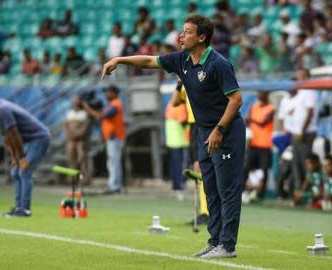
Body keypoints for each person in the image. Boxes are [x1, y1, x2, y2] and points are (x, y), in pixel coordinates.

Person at [101, 14, 245, 258]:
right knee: (209, 188)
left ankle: (228, 245)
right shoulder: (182, 60)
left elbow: (236, 99)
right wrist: (120, 59)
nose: (181, 35)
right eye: (182, 31)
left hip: (225, 132)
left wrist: (219, 130)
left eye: (187, 32)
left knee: (226, 190)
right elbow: (148, 61)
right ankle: (215, 241)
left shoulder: (218, 64)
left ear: (201, 37)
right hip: (203, 132)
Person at [0, 87, 50, 217]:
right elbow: (5, 135)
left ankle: (25, 210)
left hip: (38, 138)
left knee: (24, 171)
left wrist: (21, 157)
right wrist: (13, 156)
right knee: (15, 171)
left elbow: (14, 133)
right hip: (27, 140)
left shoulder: (2, 109)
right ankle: (18, 208)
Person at [171, 81, 209, 225]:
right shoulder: (186, 85)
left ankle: (207, 212)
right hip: (194, 128)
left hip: (203, 125)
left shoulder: (201, 82)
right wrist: (179, 84)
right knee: (197, 168)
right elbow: (174, 102)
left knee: (202, 168)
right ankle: (204, 211)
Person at [81, 86, 125, 194]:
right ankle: (114, 185)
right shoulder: (110, 104)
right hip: (111, 137)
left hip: (115, 137)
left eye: (108, 92)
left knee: (114, 163)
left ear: (114, 93)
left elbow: (101, 116)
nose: (106, 94)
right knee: (112, 162)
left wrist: (87, 107)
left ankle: (115, 186)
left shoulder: (116, 104)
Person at [290, 69, 318, 196]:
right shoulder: (300, 91)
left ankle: (309, 192)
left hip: (305, 133)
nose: (297, 77)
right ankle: (298, 192)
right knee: (296, 163)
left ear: (306, 77)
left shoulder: (309, 91)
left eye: (300, 76)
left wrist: (302, 130)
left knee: (306, 163)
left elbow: (310, 112)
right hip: (297, 133)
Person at [242, 91, 275, 202]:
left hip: (265, 144)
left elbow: (263, 122)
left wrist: (250, 119)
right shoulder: (254, 106)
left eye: (261, 94)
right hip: (253, 143)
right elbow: (248, 121)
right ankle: (241, 190)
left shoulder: (271, 108)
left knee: (264, 169)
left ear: (266, 95)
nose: (258, 96)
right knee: (247, 167)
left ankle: (261, 194)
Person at [164, 89, 189, 200]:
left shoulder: (170, 103)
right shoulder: (180, 105)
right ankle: (179, 188)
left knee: (175, 164)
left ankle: (175, 187)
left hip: (172, 140)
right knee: (181, 165)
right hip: (180, 140)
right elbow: (183, 121)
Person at [64, 96, 91, 185]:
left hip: (81, 140)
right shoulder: (69, 113)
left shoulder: (84, 113)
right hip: (70, 140)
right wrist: (70, 135)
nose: (75, 102)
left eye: (77, 101)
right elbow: (65, 126)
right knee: (71, 159)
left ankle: (84, 179)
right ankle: (72, 179)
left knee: (81, 158)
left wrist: (77, 135)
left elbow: (85, 127)